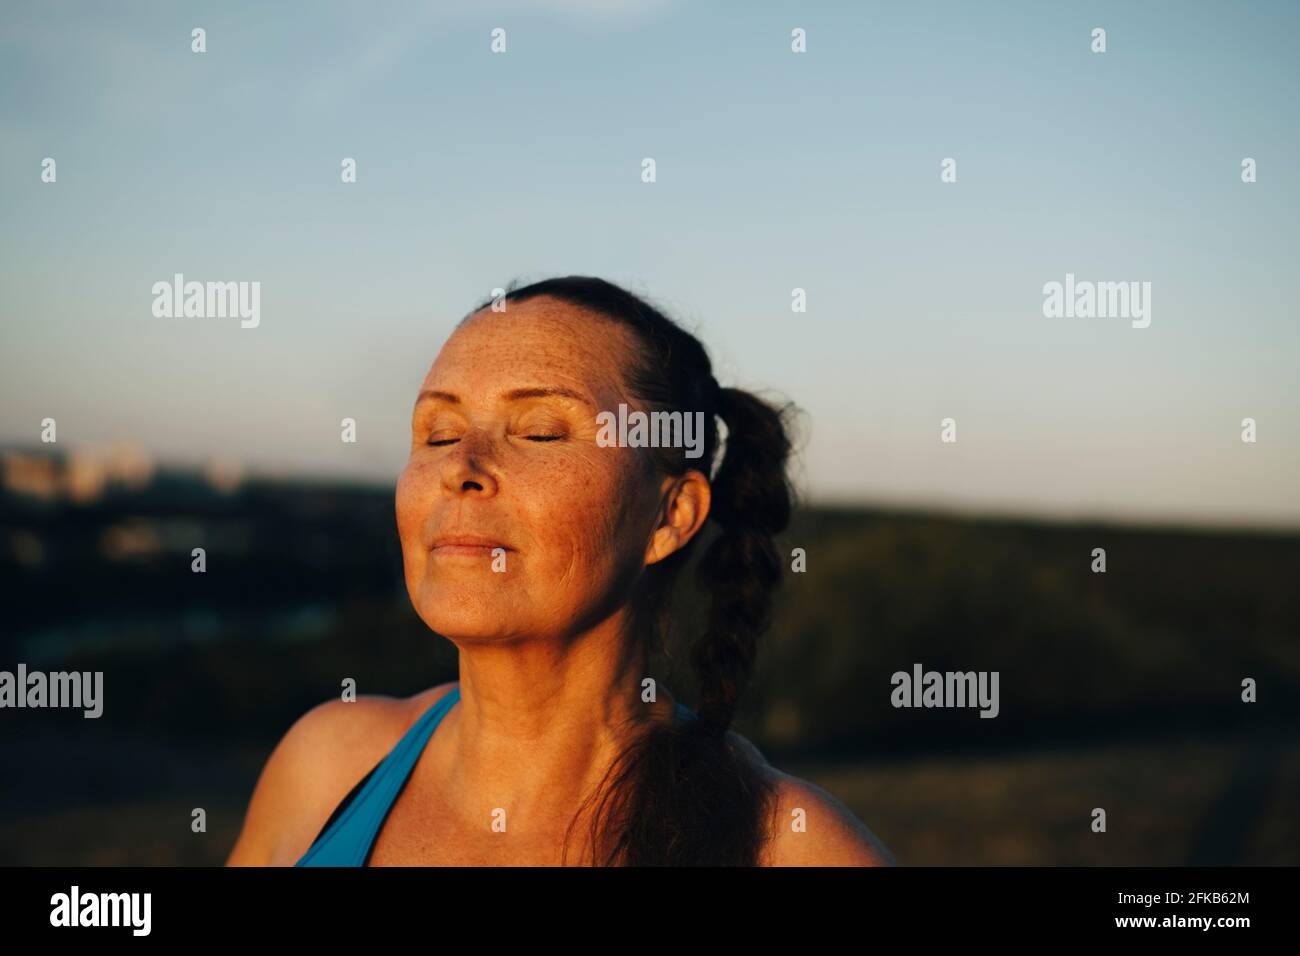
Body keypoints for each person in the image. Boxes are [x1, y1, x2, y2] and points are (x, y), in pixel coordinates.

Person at [225, 276, 894, 866]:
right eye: (437, 432)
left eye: (540, 431)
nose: (461, 467)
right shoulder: (328, 762)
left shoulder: (786, 847)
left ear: (671, 515)